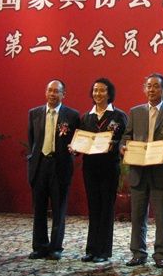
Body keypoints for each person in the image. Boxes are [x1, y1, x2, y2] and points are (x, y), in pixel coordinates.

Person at [121, 73, 163, 268]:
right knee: (137, 215)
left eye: (156, 86)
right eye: (149, 86)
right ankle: (138, 253)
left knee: (162, 217)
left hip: (162, 171)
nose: (152, 90)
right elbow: (126, 136)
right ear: (144, 89)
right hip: (139, 171)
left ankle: (161, 254)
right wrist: (122, 147)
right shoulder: (135, 112)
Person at [27, 79, 80, 260]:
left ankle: (56, 247)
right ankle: (39, 246)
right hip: (40, 165)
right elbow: (32, 140)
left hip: (60, 166)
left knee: (59, 209)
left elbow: (77, 140)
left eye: (56, 91)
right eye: (50, 90)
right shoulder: (34, 113)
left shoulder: (72, 115)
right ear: (45, 92)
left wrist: (75, 151)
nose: (52, 94)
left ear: (63, 94)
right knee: (39, 208)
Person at [78, 78, 127, 264]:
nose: (98, 94)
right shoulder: (86, 117)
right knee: (93, 207)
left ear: (109, 93)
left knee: (106, 208)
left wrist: (114, 144)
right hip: (90, 168)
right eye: (95, 90)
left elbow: (125, 140)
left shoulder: (119, 116)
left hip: (109, 167)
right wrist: (75, 148)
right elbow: (80, 140)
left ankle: (103, 251)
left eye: (102, 90)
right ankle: (91, 249)